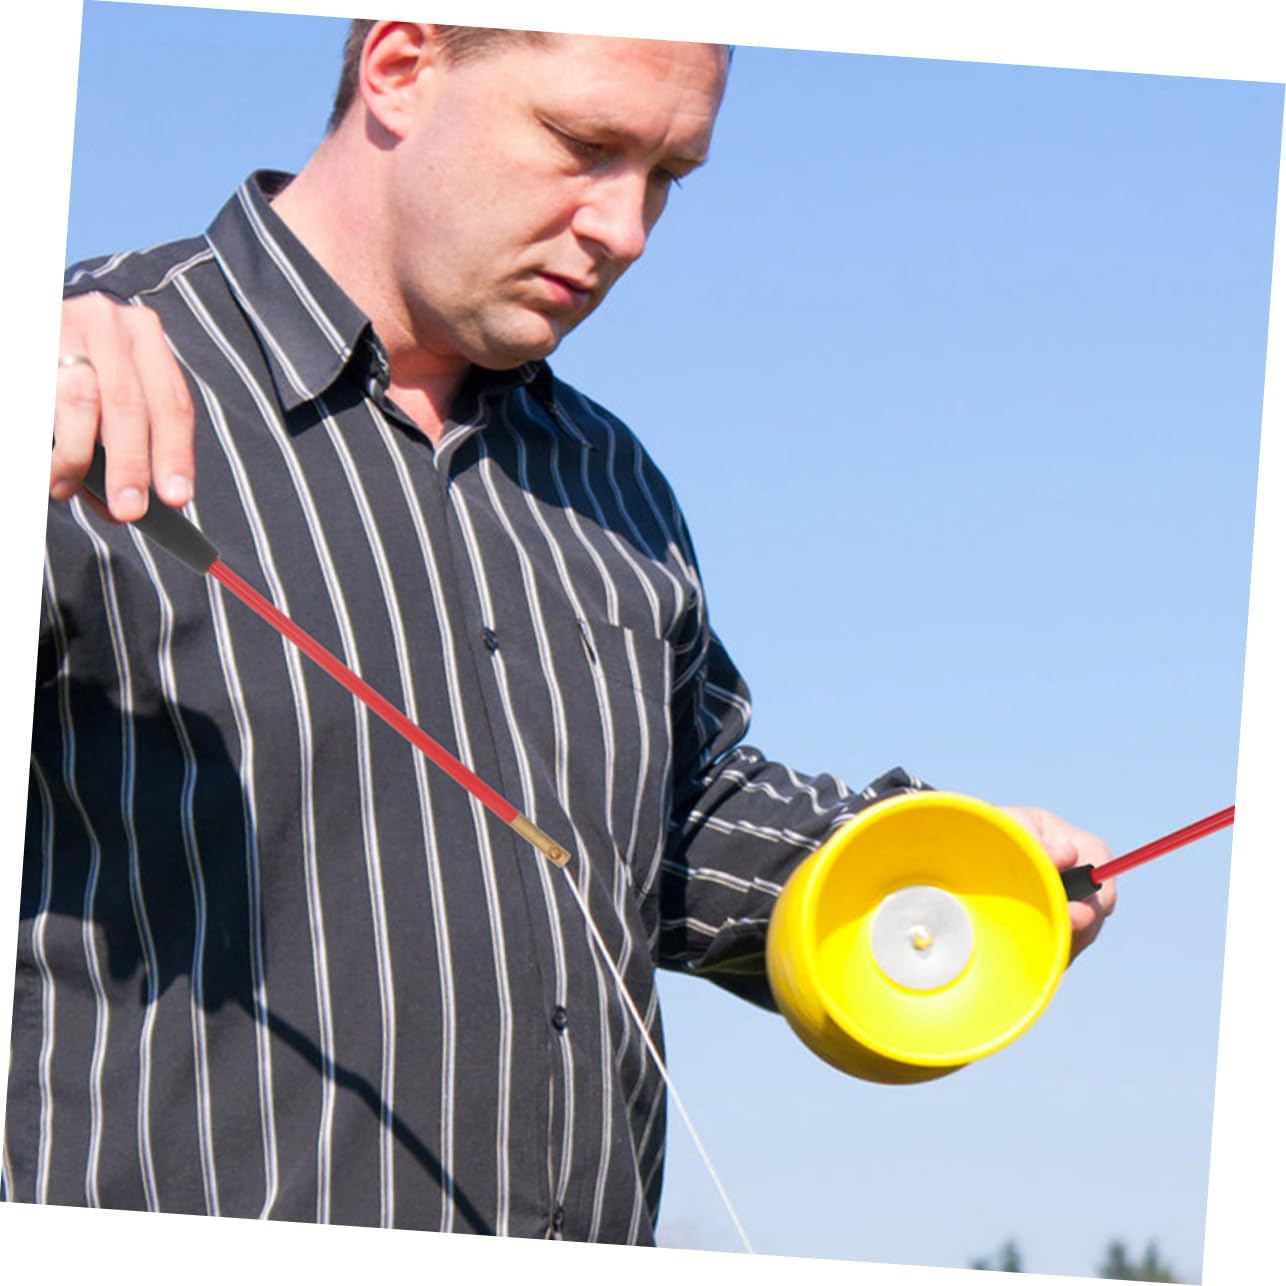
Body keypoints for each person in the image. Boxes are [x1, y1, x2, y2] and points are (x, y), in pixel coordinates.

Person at [12, 21, 1114, 1242]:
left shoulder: (613, 481)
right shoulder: (64, 379)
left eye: (666, 176)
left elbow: (667, 820)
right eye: (584, 144)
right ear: (400, 67)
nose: (626, 229)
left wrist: (920, 861)